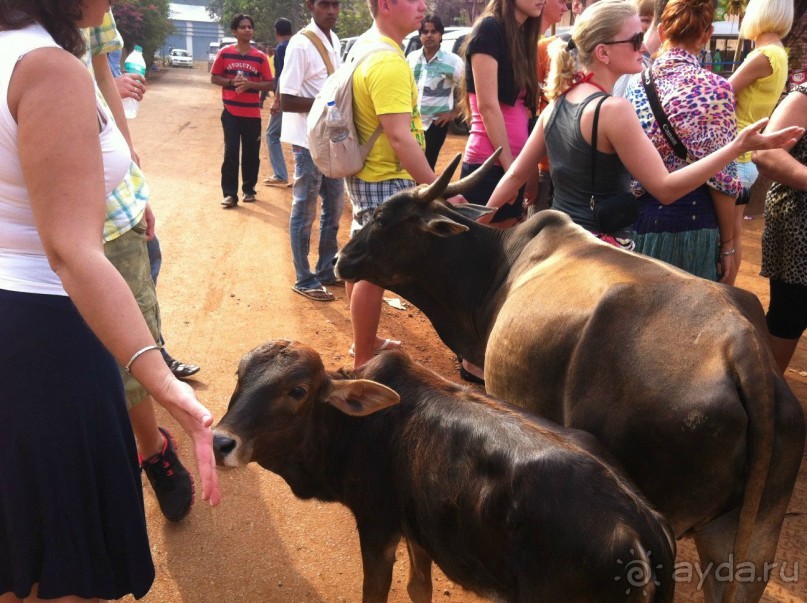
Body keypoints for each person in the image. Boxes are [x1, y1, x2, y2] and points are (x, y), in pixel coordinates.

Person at [0, 0, 221, 600]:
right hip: (47, 337)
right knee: (67, 562)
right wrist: (168, 387)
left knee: (19, 537)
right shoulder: (45, 68)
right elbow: (72, 253)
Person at [484, 0, 802, 256]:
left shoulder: (555, 104)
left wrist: (478, 222)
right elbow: (665, 188)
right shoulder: (613, 110)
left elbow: (513, 177)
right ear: (603, 52)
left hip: (553, 246)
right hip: (597, 253)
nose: (644, 46)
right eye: (636, 39)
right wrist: (736, 148)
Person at [86, 9, 201, 524]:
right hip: (22, 236)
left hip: (110, 215)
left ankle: (152, 449)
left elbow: (100, 73)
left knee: (130, 349)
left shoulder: (88, 19)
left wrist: (129, 170)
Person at [344, 0, 439, 369]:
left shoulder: (367, 45)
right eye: (415, 0)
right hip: (385, 174)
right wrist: (435, 188)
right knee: (374, 269)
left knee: (361, 256)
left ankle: (363, 342)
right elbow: (400, 137)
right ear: (385, 5)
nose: (424, 7)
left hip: (369, 171)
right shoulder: (387, 60)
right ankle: (364, 359)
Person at [625, 0, 742, 281]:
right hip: (695, 224)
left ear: (662, 31)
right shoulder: (716, 89)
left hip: (641, 223)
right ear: (707, 34)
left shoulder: (636, 84)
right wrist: (728, 246)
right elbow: (722, 178)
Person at [279, 0, 345, 302]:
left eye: (336, 4)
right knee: (304, 210)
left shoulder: (334, 41)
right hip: (307, 142)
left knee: (335, 207)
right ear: (310, 5)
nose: (331, 10)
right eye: (324, 4)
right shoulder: (301, 44)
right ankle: (303, 277)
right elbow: (287, 99)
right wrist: (327, 104)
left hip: (329, 140)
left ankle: (325, 268)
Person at [458, 0, 543, 228]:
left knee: (501, 256)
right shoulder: (489, 29)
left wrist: (524, 171)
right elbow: (487, 106)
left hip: (511, 166)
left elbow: (523, 113)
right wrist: (510, 172)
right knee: (478, 253)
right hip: (489, 165)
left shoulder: (521, 35)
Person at [726, 0, 792, 284]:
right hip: (748, 154)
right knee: (734, 234)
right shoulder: (779, 53)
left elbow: (720, 92)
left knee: (727, 239)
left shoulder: (763, 55)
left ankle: (724, 293)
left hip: (736, 154)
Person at [753, 85, 807, 373]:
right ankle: (764, 399)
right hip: (800, 223)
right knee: (791, 314)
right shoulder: (804, 96)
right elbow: (766, 155)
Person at [211, 14, 274, 209]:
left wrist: (250, 85)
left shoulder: (260, 57)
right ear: (234, 31)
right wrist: (231, 82)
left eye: (249, 27)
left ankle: (248, 190)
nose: (247, 30)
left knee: (251, 153)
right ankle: (230, 194)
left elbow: (270, 83)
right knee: (231, 153)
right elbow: (214, 77)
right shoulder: (225, 53)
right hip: (230, 112)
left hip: (252, 114)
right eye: (243, 27)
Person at [526, 0, 570, 216]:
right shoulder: (541, 48)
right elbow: (528, 112)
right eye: (562, 1)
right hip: (544, 164)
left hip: (572, 167)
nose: (566, 8)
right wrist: (530, 171)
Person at [407, 15, 464, 169]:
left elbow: (467, 89)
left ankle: (426, 193)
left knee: (427, 164)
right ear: (420, 35)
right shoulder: (411, 59)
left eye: (434, 31)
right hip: (411, 122)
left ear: (441, 35)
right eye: (425, 32)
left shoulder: (453, 61)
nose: (429, 35)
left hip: (435, 123)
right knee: (409, 165)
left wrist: (454, 113)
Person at [264, 17, 293, 187]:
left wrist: (276, 100)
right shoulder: (298, 45)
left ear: (276, 32)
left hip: (284, 97)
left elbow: (284, 75)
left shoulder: (282, 48)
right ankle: (300, 175)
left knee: (271, 134)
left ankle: (280, 174)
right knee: (298, 138)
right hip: (298, 98)